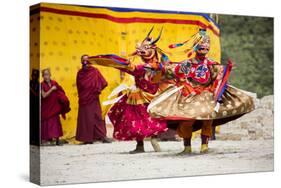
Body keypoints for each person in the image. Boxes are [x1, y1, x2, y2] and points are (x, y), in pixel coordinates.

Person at [148, 29, 255, 154]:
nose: (204, 49)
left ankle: (204, 146)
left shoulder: (211, 64)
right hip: (189, 95)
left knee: (207, 119)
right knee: (187, 120)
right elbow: (172, 71)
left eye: (206, 46)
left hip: (206, 95)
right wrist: (161, 67)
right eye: (201, 46)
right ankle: (187, 147)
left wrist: (226, 71)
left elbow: (218, 78)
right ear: (195, 48)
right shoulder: (187, 64)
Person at [89, 27, 171, 153]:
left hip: (151, 97)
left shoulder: (154, 66)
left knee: (147, 119)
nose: (141, 52)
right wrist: (117, 63)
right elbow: (132, 69)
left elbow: (135, 69)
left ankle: (149, 143)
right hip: (142, 96)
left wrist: (118, 63)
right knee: (138, 119)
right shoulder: (155, 66)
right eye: (141, 50)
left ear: (153, 51)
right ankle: (142, 145)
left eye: (145, 50)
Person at [76, 55, 112, 144]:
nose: (85, 62)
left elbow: (104, 83)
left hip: (94, 98)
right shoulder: (80, 73)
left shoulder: (95, 71)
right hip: (84, 99)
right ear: (81, 62)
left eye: (87, 60)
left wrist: (96, 89)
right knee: (86, 119)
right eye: (83, 60)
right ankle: (87, 138)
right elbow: (79, 86)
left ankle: (101, 136)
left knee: (97, 117)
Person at [41, 68, 70, 146]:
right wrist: (51, 89)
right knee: (47, 123)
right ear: (42, 76)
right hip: (47, 107)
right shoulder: (41, 85)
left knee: (56, 123)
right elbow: (43, 96)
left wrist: (63, 100)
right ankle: (47, 139)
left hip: (55, 107)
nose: (46, 76)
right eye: (44, 75)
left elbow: (60, 92)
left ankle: (57, 139)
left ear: (50, 75)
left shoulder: (54, 83)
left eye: (47, 74)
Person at [30, 69, 40, 146]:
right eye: (33, 75)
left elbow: (37, 95)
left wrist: (30, 89)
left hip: (35, 106)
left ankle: (35, 139)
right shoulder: (29, 83)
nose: (34, 77)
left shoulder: (38, 85)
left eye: (36, 75)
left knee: (35, 123)